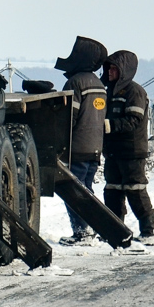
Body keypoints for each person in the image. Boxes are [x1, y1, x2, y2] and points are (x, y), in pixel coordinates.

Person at [54, 36, 109, 246]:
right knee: (87, 190)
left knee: (74, 193)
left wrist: (60, 143)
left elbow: (69, 117)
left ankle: (82, 232)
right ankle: (94, 227)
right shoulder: (99, 84)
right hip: (95, 148)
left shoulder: (75, 82)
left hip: (77, 148)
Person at [102, 50, 154, 246]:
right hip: (112, 152)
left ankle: (148, 231)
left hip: (132, 153)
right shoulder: (108, 92)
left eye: (113, 68)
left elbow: (134, 120)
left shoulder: (135, 92)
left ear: (123, 71)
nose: (109, 71)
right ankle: (117, 230)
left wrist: (110, 126)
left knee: (135, 190)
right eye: (108, 68)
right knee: (112, 192)